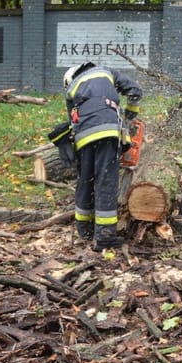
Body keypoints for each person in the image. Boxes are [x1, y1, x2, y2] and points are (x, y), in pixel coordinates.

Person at [62, 61, 142, 251]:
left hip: (83, 137)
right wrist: (130, 116)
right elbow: (135, 91)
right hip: (107, 132)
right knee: (105, 181)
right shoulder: (106, 71)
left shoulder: (71, 90)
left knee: (85, 180)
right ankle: (105, 237)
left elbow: (72, 122)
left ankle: (85, 230)